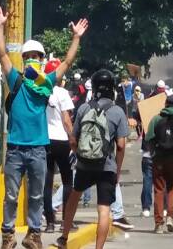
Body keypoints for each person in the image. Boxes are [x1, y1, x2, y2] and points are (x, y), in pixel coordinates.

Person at [0, 6, 88, 249]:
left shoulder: (47, 84)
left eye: (36, 55)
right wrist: (0, 26)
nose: (32, 59)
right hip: (15, 148)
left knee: (35, 195)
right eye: (28, 56)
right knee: (11, 197)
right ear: (23, 60)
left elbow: (67, 61)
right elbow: (2, 54)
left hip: (38, 149)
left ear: (42, 60)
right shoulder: (17, 80)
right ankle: (8, 235)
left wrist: (76, 37)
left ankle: (34, 235)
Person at [56, 70, 129, 249]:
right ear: (112, 89)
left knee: (74, 197)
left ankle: (64, 238)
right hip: (107, 166)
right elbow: (120, 145)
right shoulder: (118, 112)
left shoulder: (84, 108)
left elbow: (73, 139)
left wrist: (80, 153)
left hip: (84, 164)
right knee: (104, 209)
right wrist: (117, 170)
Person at [145, 94, 173, 234]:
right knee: (172, 188)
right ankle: (169, 217)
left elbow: (149, 138)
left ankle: (158, 224)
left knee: (158, 189)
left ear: (165, 104)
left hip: (158, 158)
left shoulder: (156, 119)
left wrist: (153, 153)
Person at [43, 59, 75, 234]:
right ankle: (66, 221)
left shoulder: (41, 91)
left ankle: (49, 222)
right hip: (61, 140)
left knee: (47, 183)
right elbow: (66, 120)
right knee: (67, 180)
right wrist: (73, 139)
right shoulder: (62, 93)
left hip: (45, 141)